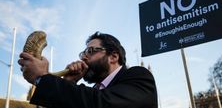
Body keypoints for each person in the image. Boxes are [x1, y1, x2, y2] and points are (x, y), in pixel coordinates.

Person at [18, 31, 158, 108]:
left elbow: (103, 104)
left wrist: (42, 77)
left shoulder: (139, 76)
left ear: (113, 57)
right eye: (83, 53)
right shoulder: (93, 92)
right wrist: (69, 83)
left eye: (90, 51)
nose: (84, 57)